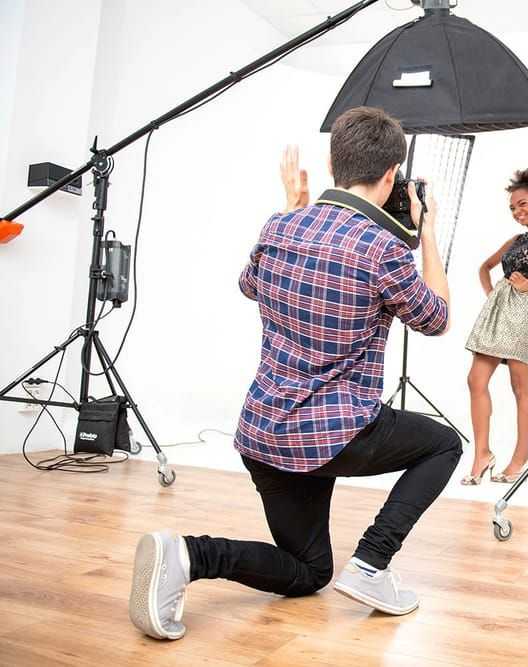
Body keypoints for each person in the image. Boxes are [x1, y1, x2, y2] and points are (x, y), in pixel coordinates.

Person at [128, 107, 460, 641]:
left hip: (263, 434)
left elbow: (249, 284)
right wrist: (430, 232)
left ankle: (188, 555)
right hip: (334, 435)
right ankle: (372, 563)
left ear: (332, 163)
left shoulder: (279, 226)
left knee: (309, 572)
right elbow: (436, 318)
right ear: (392, 174)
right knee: (443, 445)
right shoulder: (382, 247)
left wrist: (290, 210)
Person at [463, 169, 528, 485]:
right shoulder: (514, 240)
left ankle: (521, 456)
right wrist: (493, 294)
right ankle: (482, 454)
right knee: (476, 379)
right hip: (499, 309)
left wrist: (526, 285)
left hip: (524, 310)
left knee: (520, 385)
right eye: (512, 208)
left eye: (523, 204)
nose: (518, 211)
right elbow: (484, 267)